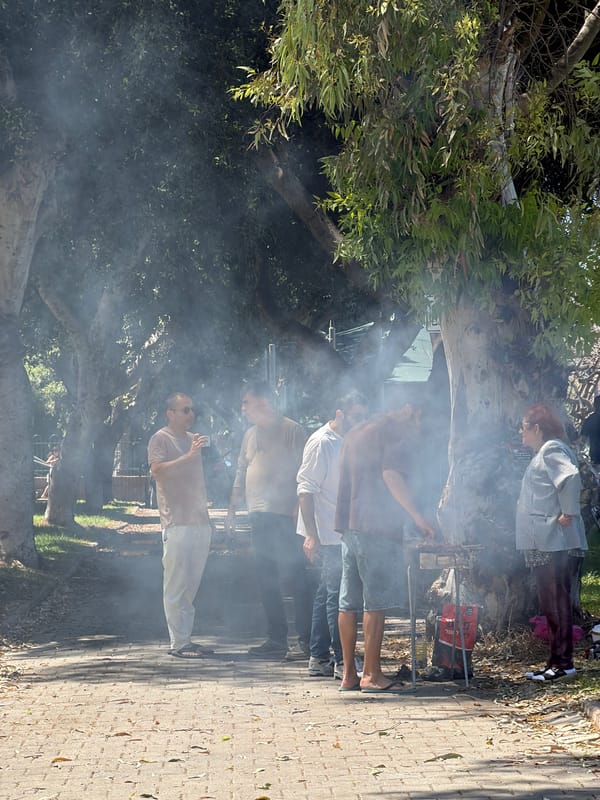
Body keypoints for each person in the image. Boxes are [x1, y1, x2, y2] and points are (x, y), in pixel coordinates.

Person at [335, 400, 436, 693]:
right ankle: (372, 674)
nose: (419, 432)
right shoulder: (394, 433)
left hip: (349, 526)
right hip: (374, 527)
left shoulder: (357, 431)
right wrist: (418, 518)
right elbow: (391, 476)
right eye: (421, 424)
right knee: (374, 602)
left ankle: (349, 675)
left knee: (347, 602)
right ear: (410, 411)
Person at [225, 381, 312, 658]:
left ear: (263, 403)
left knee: (296, 577)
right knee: (266, 578)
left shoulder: (292, 430)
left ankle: (307, 639)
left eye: (246, 402)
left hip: (286, 516)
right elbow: (241, 470)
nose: (243, 409)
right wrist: (231, 508)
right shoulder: (249, 435)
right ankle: (276, 638)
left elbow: (305, 473)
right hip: (259, 517)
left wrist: (300, 508)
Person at [296, 390, 369, 679]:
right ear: (340, 413)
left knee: (326, 593)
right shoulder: (321, 443)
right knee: (338, 597)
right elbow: (305, 489)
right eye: (356, 416)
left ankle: (317, 657)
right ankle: (343, 661)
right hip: (326, 532)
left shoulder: (349, 440)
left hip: (341, 531)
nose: (361, 422)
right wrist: (311, 535)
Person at [516, 403, 588, 682]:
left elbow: (569, 476)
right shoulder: (546, 451)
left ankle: (563, 663)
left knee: (556, 600)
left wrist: (568, 511)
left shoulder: (551, 449)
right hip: (546, 540)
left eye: (524, 428)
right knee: (550, 601)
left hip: (554, 540)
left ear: (537, 428)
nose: (522, 435)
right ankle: (555, 660)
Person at [148, 393, 214, 659]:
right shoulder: (160, 438)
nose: (191, 414)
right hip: (176, 522)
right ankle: (178, 643)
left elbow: (198, 480)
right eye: (185, 410)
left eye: (192, 409)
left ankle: (186, 638)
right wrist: (190, 455)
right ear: (170, 413)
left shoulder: (193, 440)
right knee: (175, 584)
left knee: (191, 584)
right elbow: (158, 471)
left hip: (199, 521)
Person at [580, 396, 600, 465]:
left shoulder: (589, 420)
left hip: (595, 459)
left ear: (594, 406)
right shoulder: (589, 420)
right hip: (595, 459)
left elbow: (582, 440)